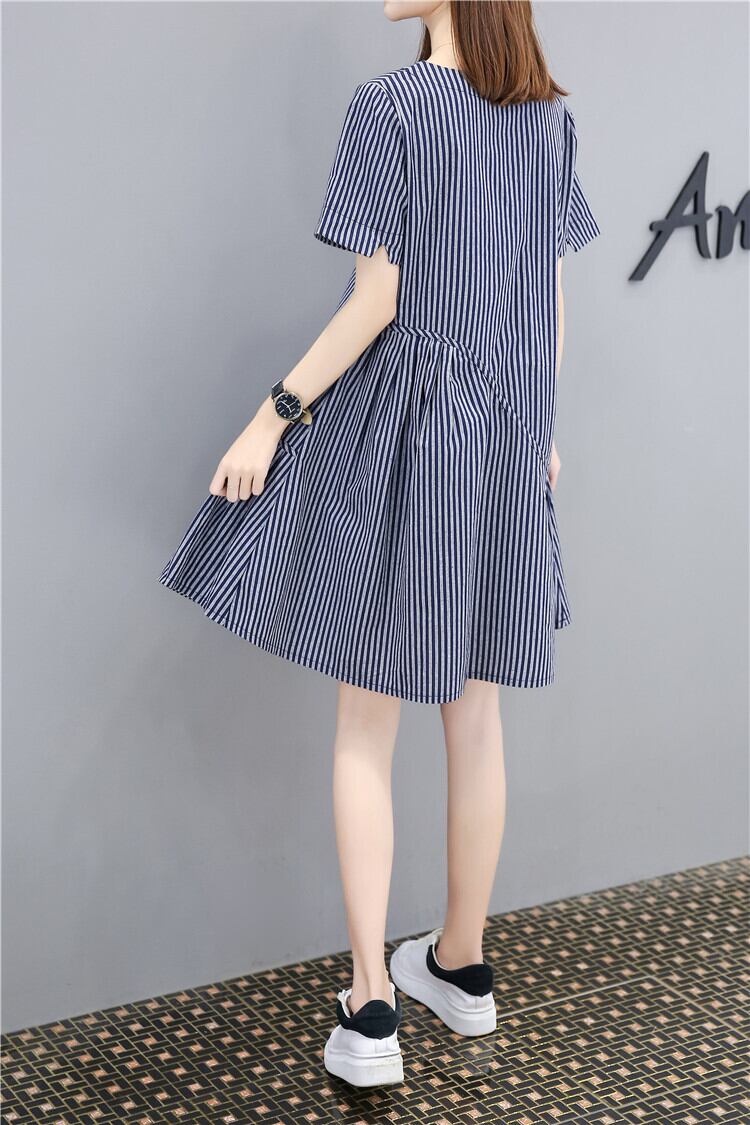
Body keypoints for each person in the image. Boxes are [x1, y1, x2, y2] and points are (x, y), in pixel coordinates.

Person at [159, 0, 600, 1089]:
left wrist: (272, 414)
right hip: (507, 435)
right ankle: (462, 964)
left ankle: (370, 1011)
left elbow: (378, 300)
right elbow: (548, 295)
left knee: (367, 725)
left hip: (413, 436)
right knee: (477, 719)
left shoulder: (392, 106)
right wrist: (541, 432)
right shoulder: (547, 118)